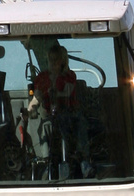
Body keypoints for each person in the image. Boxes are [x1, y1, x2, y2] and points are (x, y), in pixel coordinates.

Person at [26, 43, 91, 177]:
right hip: (50, 116)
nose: (54, 62)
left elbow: (68, 90)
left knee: (80, 123)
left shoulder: (69, 76)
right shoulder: (42, 78)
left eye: (57, 59)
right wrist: (29, 110)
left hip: (70, 113)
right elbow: (36, 98)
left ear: (63, 61)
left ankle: (83, 160)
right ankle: (45, 162)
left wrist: (55, 91)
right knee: (46, 126)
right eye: (51, 59)